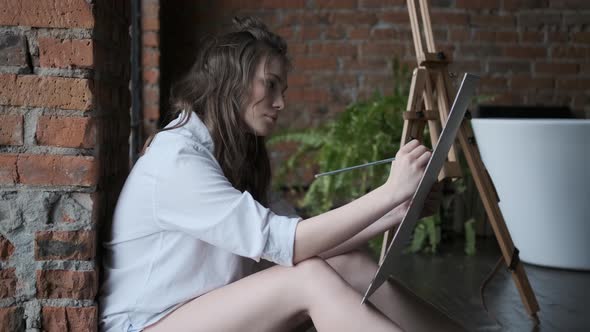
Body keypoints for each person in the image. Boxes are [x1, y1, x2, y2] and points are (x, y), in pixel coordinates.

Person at [98, 16, 464, 332]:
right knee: (308, 279)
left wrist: (399, 208)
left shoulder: (233, 152)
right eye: (270, 84)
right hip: (146, 322)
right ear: (230, 81)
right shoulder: (177, 159)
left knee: (349, 263)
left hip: (200, 311)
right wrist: (388, 192)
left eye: (282, 89)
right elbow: (288, 244)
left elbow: (302, 243)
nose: (280, 102)